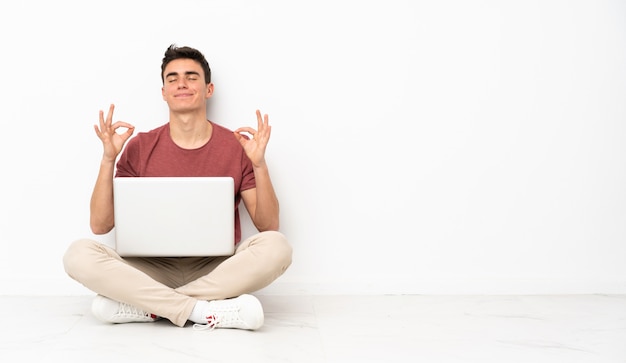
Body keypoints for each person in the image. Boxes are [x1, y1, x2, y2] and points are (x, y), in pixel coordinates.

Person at [63, 44, 293, 331]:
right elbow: (100, 225)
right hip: (150, 269)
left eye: (191, 77)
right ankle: (201, 310)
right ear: (163, 92)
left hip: (215, 268)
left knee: (277, 247)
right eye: (172, 78)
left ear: (209, 89)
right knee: (78, 254)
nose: (181, 83)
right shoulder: (140, 147)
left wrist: (259, 164)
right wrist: (109, 158)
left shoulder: (236, 146)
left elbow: (268, 225)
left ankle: (150, 307)